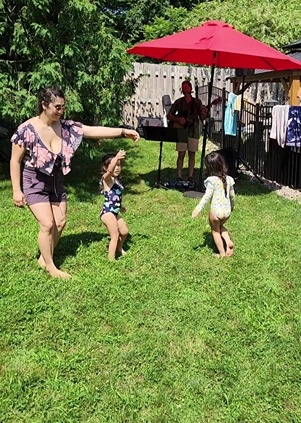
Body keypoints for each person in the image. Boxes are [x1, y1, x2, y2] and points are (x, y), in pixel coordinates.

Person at [10, 86, 139, 279]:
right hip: (34, 180)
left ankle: (43, 258)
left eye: (63, 107)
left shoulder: (66, 127)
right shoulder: (27, 130)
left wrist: (122, 132)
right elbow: (15, 160)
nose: (61, 111)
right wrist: (16, 190)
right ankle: (52, 267)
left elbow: (92, 130)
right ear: (44, 105)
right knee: (47, 224)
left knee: (60, 222)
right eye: (57, 107)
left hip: (56, 180)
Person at [191, 151, 235, 257]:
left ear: (209, 167)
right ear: (222, 163)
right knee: (220, 226)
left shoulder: (211, 181)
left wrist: (198, 209)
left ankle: (222, 254)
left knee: (215, 231)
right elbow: (232, 196)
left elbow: (206, 197)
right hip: (227, 211)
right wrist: (232, 207)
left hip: (216, 212)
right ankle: (228, 241)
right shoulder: (229, 179)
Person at [167, 80, 207, 182]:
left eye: (186, 87)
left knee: (192, 154)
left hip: (193, 130)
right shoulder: (178, 102)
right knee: (181, 153)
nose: (184, 89)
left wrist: (204, 113)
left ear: (190, 89)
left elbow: (202, 118)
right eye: (183, 87)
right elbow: (169, 115)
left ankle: (190, 175)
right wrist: (178, 119)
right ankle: (179, 176)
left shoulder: (197, 102)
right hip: (181, 130)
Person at [100, 150, 128, 260]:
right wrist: (116, 158)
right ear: (106, 168)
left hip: (115, 212)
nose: (116, 167)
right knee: (115, 235)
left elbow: (115, 197)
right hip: (107, 212)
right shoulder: (106, 179)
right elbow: (110, 171)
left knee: (124, 232)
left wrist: (121, 206)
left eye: (119, 165)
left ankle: (119, 248)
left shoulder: (116, 181)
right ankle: (111, 260)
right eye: (114, 165)